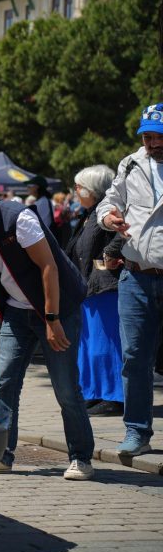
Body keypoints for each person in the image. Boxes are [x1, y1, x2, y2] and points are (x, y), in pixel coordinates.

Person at [0, 166, 94, 481]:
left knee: (66, 388)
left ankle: (81, 457)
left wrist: (52, 319)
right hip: (16, 312)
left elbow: (49, 267)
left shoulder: (18, 219)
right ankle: (1, 456)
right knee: (5, 383)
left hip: (56, 309)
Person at [97, 101, 163, 457]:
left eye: (158, 136)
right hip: (135, 278)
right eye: (147, 136)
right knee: (135, 358)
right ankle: (137, 431)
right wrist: (109, 218)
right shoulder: (131, 163)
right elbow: (108, 202)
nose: (152, 144)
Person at [65, 165, 124, 417]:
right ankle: (93, 392)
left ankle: (113, 396)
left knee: (106, 345)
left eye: (79, 187)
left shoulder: (107, 211)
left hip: (105, 286)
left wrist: (110, 254)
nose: (76, 191)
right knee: (89, 346)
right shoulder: (88, 214)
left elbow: (124, 234)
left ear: (93, 189)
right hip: (88, 287)